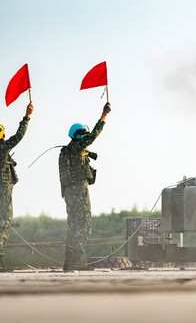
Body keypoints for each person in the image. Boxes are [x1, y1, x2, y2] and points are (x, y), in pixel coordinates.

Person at [0, 101, 34, 273]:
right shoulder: (1, 149)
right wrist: (27, 117)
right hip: (3, 191)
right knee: (3, 223)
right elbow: (18, 136)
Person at [59, 102, 111, 271]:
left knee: (73, 226)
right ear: (80, 136)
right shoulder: (77, 146)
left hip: (68, 192)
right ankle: (75, 261)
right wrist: (104, 115)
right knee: (83, 224)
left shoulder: (67, 150)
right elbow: (94, 135)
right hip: (79, 190)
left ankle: (69, 262)